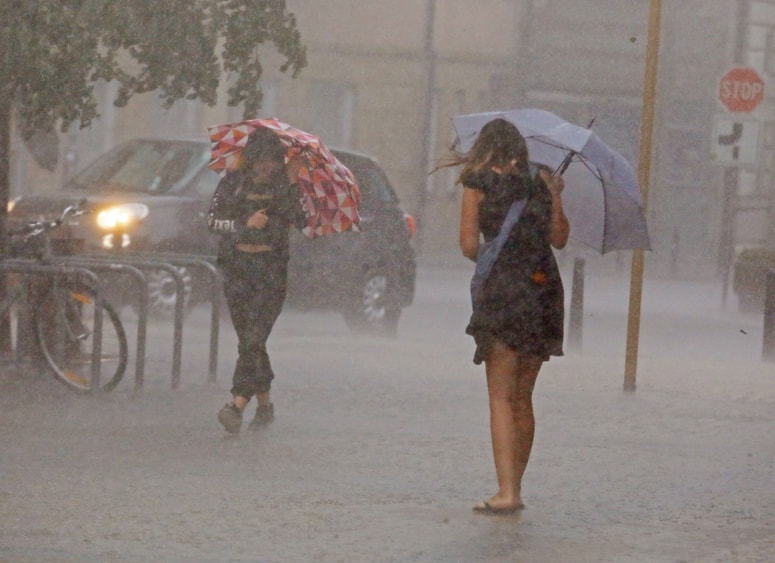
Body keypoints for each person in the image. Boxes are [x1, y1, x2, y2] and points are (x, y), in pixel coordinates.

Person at [444, 118, 569, 514]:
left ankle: (506, 491)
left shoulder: (476, 181)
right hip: (543, 289)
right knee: (523, 396)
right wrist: (555, 197)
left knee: (499, 396)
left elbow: (468, 246)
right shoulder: (542, 181)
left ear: (485, 148)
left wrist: (495, 246)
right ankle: (516, 485)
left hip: (503, 292)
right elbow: (560, 239)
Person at [208, 129, 306, 434]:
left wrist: (290, 182)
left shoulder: (285, 186)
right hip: (238, 270)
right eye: (261, 161)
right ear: (250, 160)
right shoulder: (233, 184)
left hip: (270, 273)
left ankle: (235, 406)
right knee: (251, 342)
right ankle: (264, 407)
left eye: (272, 162)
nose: (267, 168)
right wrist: (244, 225)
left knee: (253, 339)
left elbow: (300, 221)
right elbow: (213, 221)